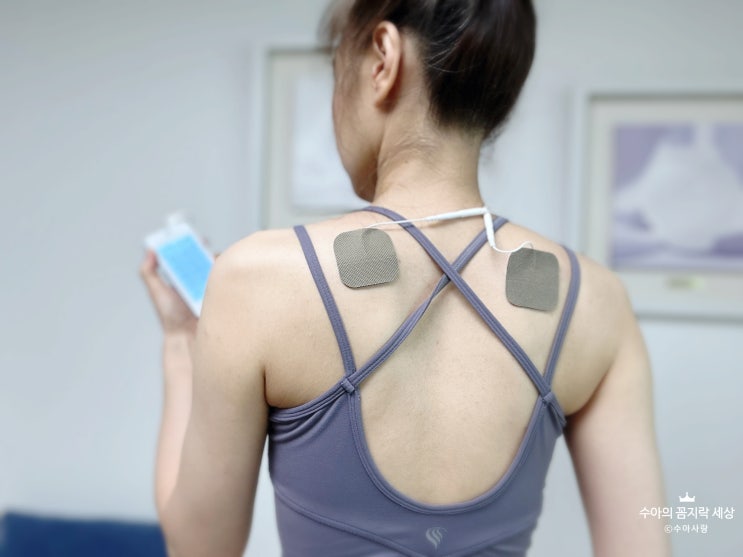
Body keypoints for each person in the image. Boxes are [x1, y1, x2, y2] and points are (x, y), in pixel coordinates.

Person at [140, 1, 670, 555]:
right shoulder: (596, 303)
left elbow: (197, 546)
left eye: (336, 69)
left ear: (382, 59)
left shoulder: (256, 280)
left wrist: (181, 345)